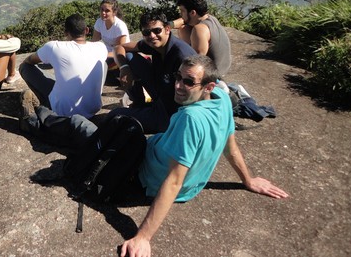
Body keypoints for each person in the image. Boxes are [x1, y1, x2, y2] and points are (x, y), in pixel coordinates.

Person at [119, 55, 289, 257]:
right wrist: (248, 180)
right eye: (178, 77)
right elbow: (230, 145)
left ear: (208, 87)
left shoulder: (189, 118)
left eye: (189, 82)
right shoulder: (223, 98)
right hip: (189, 185)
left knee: (98, 130)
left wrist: (143, 237)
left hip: (147, 174)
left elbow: (174, 181)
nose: (179, 85)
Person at [18, 13, 108, 148]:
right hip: (93, 108)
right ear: (87, 30)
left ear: (66, 33)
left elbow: (29, 61)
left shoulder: (54, 47)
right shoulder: (100, 47)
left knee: (24, 67)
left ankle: (44, 104)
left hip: (64, 111)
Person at [109, 10, 195, 134]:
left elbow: (196, 91)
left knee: (115, 115)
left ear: (167, 29)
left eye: (157, 30)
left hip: (172, 114)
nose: (152, 36)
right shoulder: (154, 44)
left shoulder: (182, 56)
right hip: (161, 94)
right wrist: (124, 68)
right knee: (129, 57)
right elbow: (119, 48)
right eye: (147, 32)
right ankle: (139, 103)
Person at [170, 0, 232, 76]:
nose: (181, 14)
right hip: (223, 69)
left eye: (182, 11)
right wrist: (170, 25)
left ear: (192, 13)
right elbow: (183, 22)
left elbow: (196, 61)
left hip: (213, 76)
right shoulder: (211, 19)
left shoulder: (200, 29)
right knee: (183, 29)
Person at [92, 0, 130, 68]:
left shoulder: (119, 26)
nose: (103, 13)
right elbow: (94, 42)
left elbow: (120, 50)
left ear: (114, 12)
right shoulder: (99, 22)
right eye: (102, 10)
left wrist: (103, 55)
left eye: (107, 11)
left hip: (119, 55)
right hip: (107, 53)